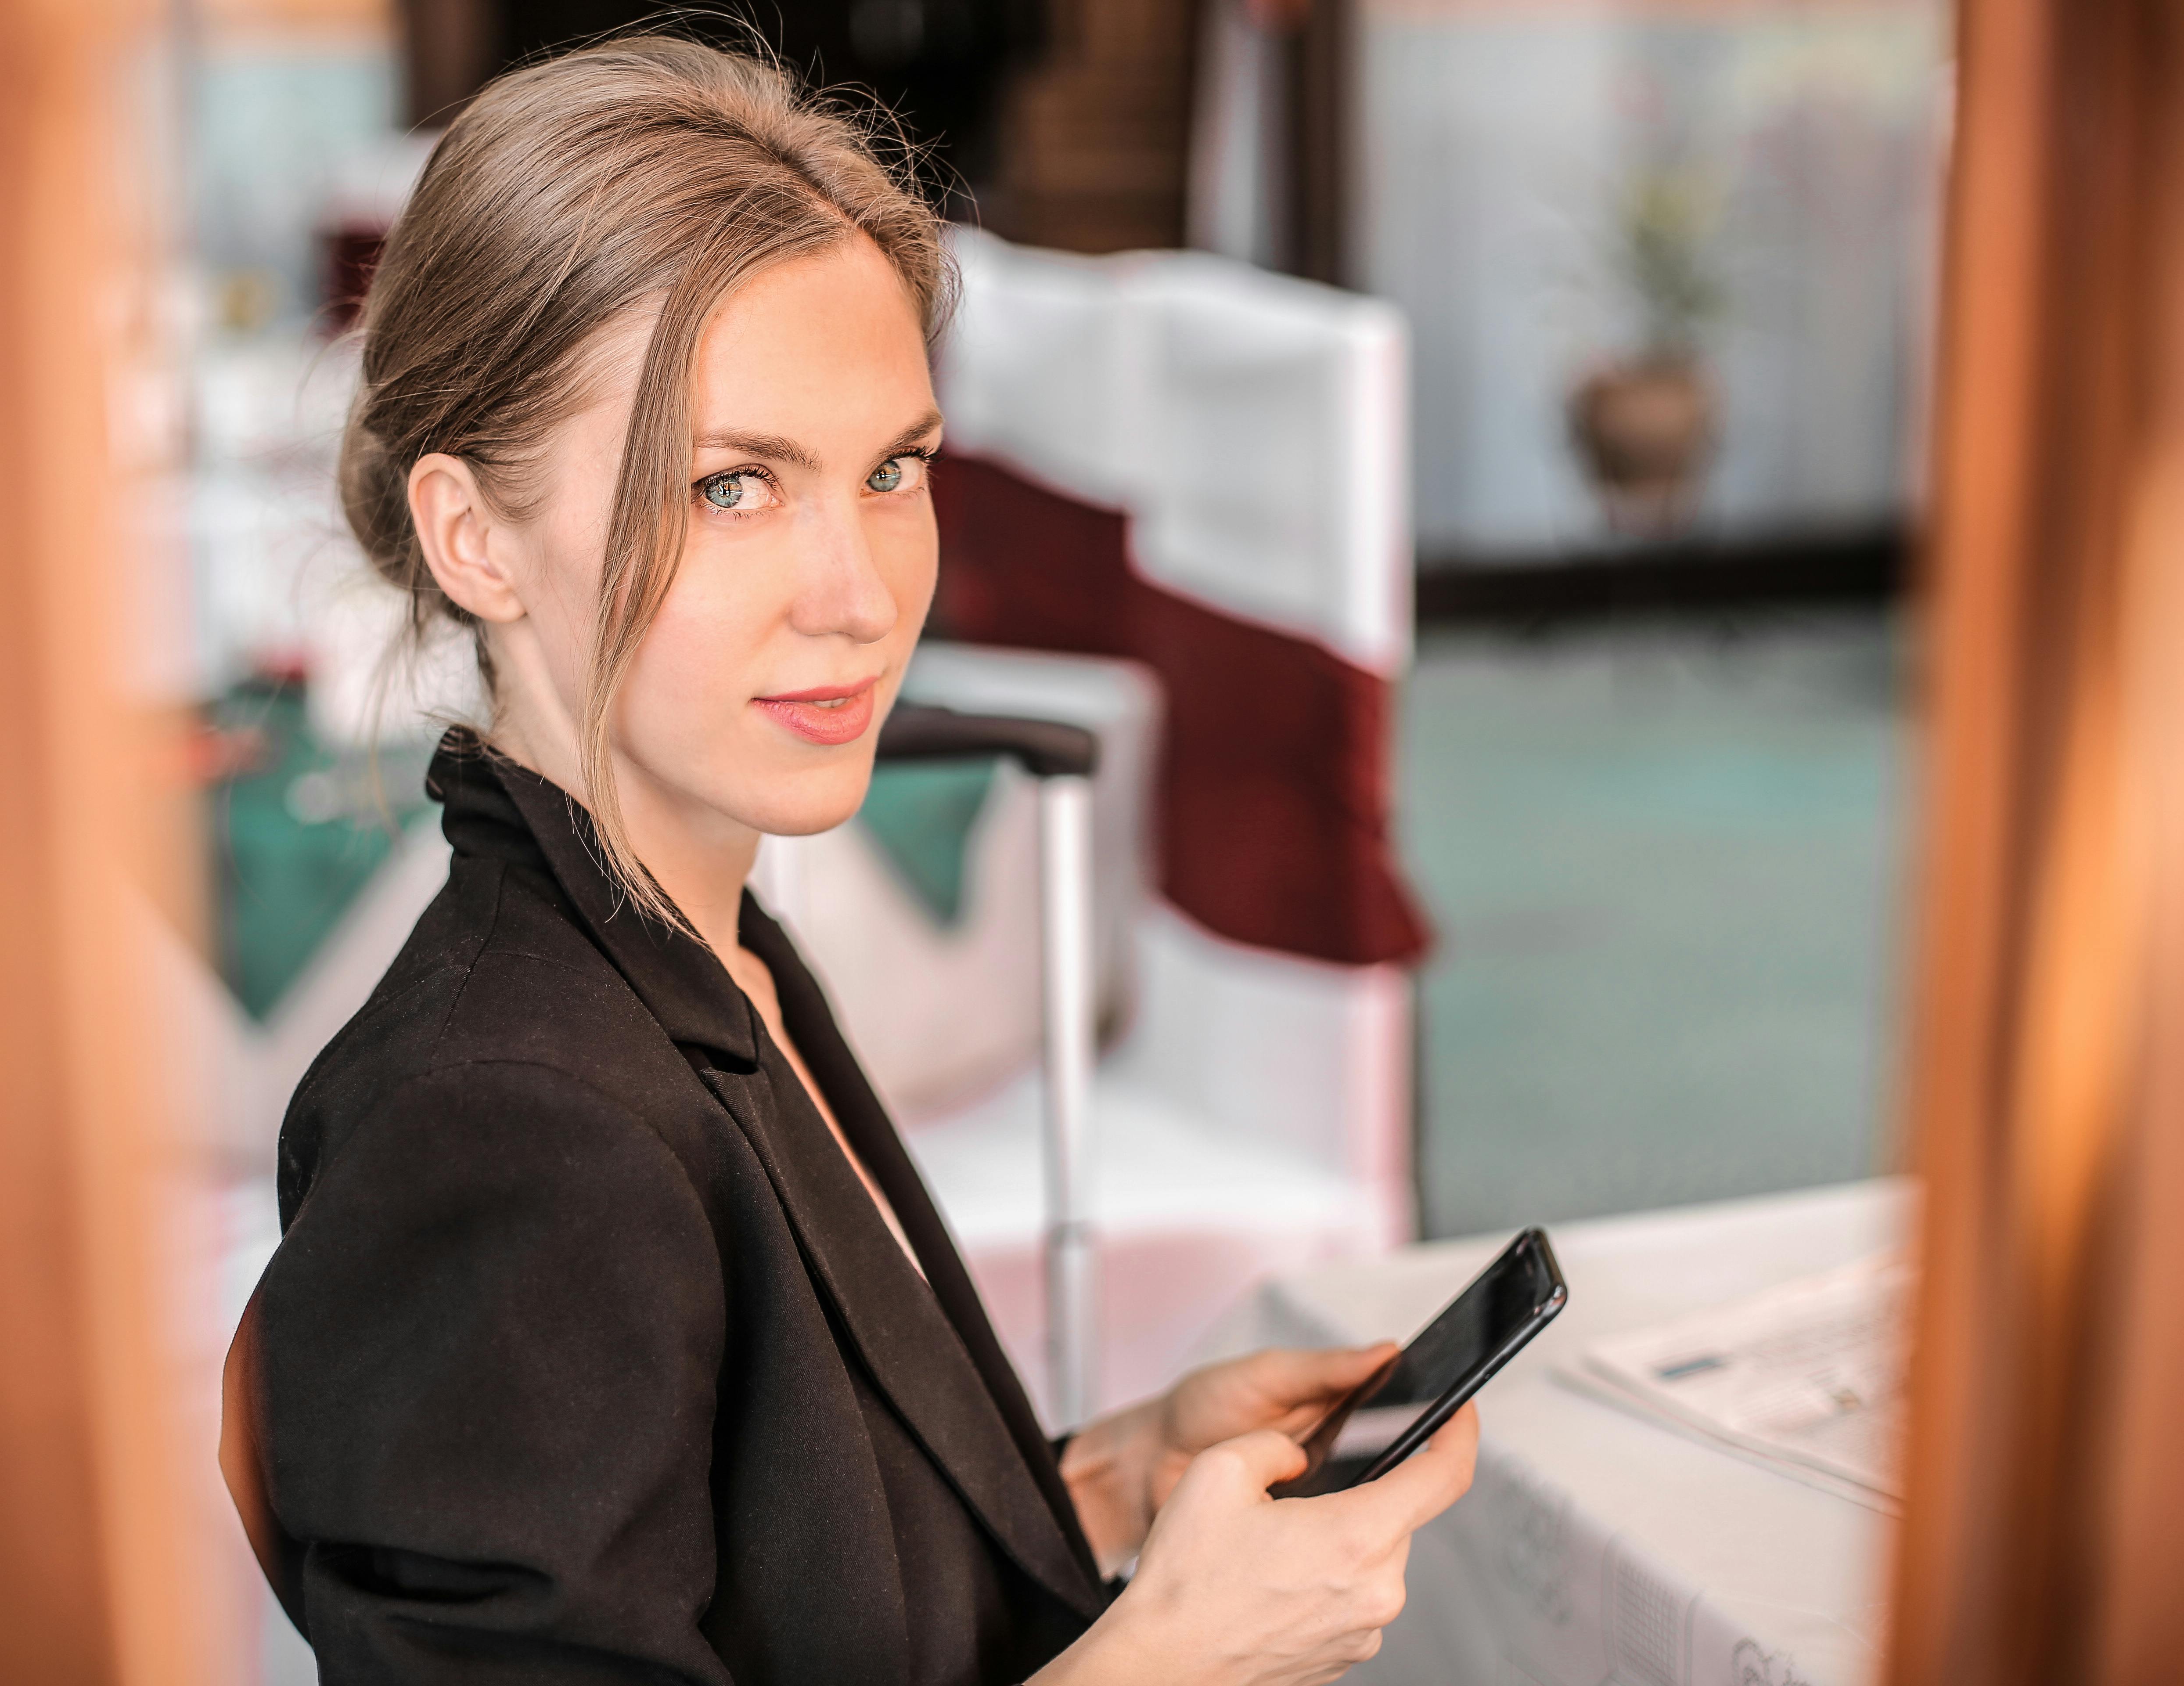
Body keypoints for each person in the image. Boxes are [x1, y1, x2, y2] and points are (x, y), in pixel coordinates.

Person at [222, 34, 1475, 1686]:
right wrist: (1175, 1661)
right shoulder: (507, 1126)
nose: (863, 594)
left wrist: (1108, 1485)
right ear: (475, 536)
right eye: (733, 487)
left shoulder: (704, 946)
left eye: (893, 470)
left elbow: (784, 1560)